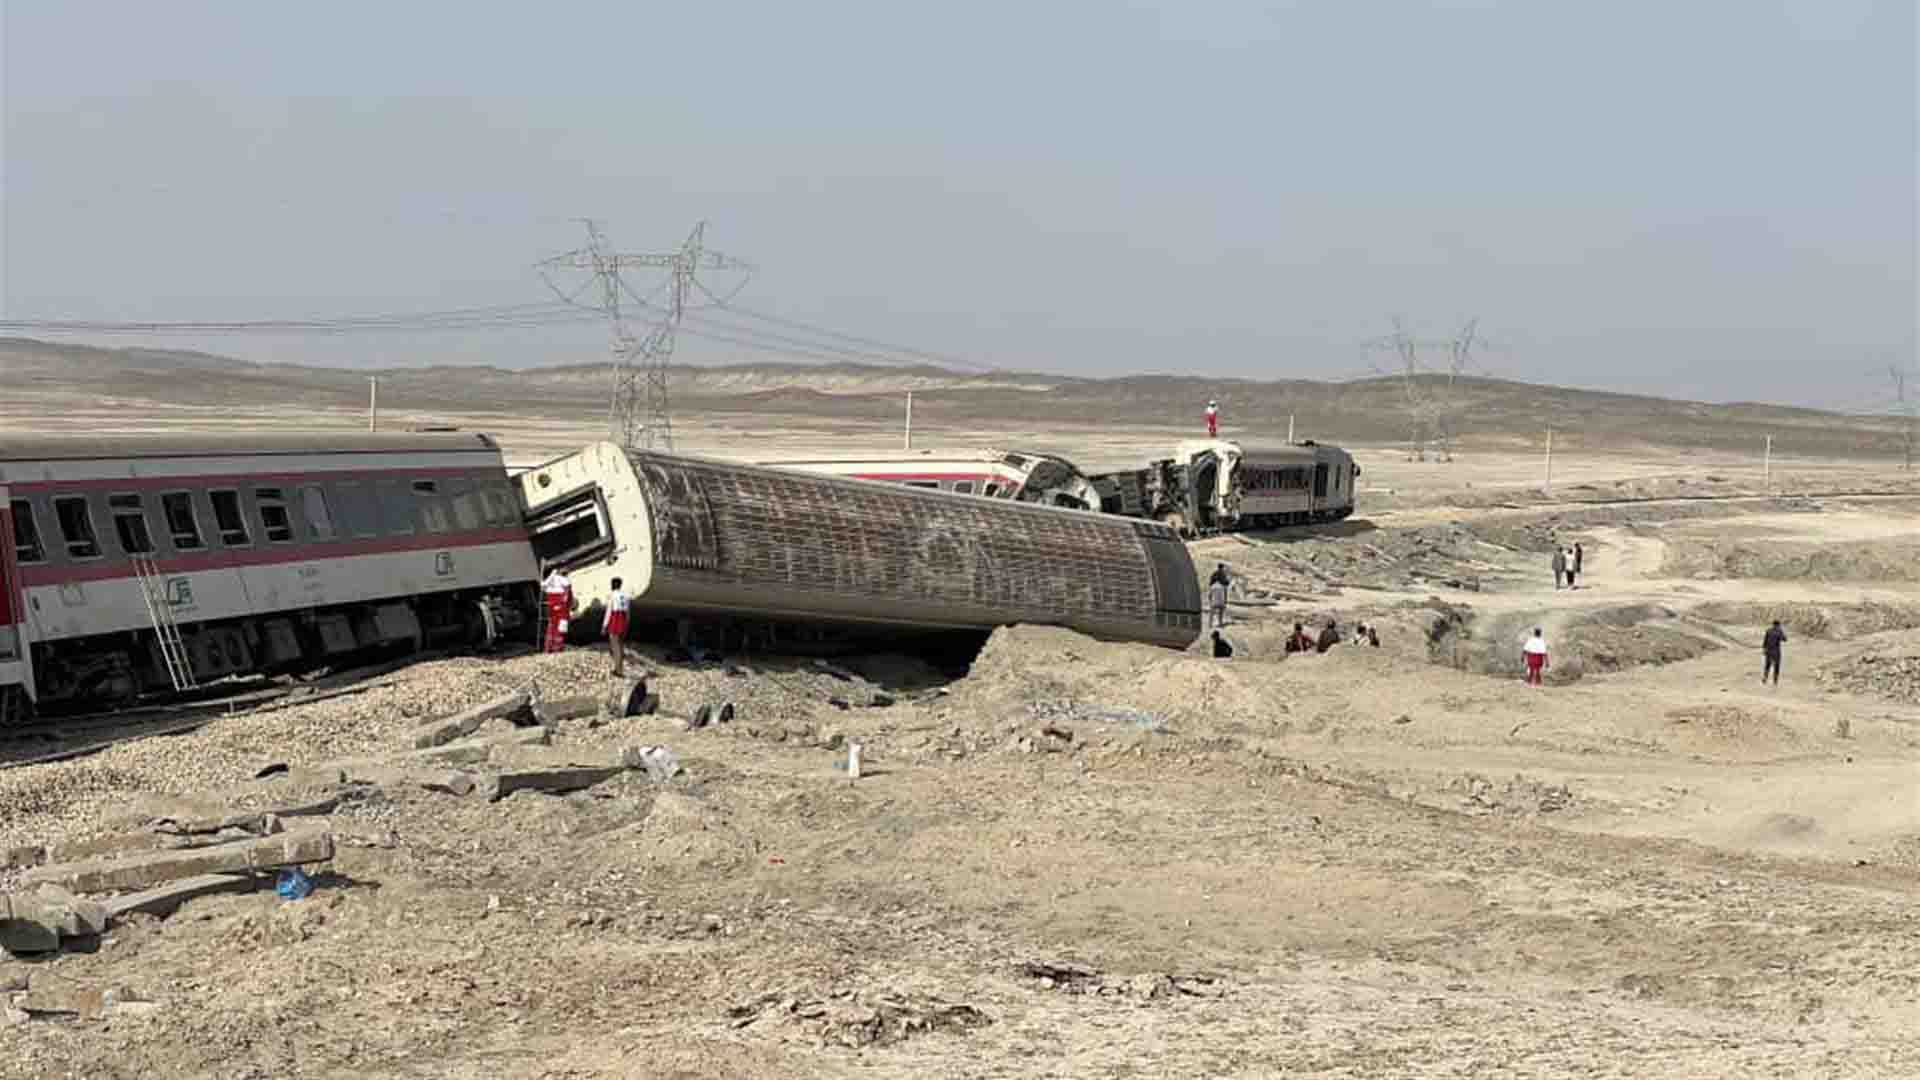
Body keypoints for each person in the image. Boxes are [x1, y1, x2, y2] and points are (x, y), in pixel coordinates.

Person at [603, 576, 631, 677]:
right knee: (621, 645)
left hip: (615, 619)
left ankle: (618, 670)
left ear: (612, 585)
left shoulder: (612, 595)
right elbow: (628, 613)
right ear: (620, 585)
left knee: (615, 646)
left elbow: (608, 611)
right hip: (623, 620)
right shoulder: (626, 596)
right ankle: (620, 668)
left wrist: (604, 625)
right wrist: (627, 624)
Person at [541, 567, 573, 653]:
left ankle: (548, 647)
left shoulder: (550, 580)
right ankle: (558, 647)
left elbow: (544, 587)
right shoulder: (565, 582)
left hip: (552, 606)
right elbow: (567, 596)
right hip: (561, 607)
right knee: (560, 628)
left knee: (551, 626)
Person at [1762, 619, 1787, 686]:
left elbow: (1765, 641)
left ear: (1773, 624)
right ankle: (1775, 681)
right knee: (1776, 666)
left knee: (1767, 665)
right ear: (1778, 625)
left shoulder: (1768, 630)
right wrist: (1781, 631)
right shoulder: (1779, 631)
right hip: (1776, 652)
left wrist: (1764, 650)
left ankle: (1765, 678)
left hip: (1768, 651)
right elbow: (1785, 639)